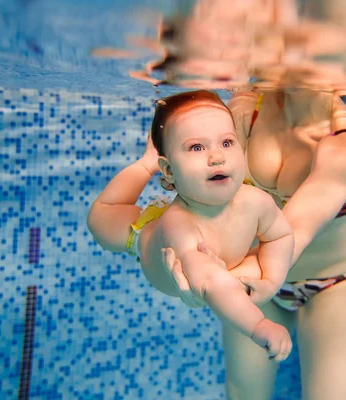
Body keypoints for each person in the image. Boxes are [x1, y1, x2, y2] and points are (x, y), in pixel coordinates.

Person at [164, 88, 346, 400]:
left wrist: (213, 282)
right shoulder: (247, 109)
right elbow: (194, 195)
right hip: (257, 285)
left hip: (333, 284)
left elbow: (293, 234)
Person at [87, 90, 295, 362]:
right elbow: (211, 281)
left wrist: (272, 279)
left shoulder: (256, 201)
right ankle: (145, 164)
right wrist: (258, 325)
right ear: (170, 171)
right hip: (147, 237)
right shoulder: (179, 225)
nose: (216, 157)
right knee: (99, 218)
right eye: (197, 147)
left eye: (227, 143)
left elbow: (280, 235)